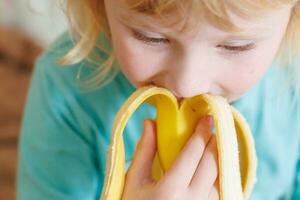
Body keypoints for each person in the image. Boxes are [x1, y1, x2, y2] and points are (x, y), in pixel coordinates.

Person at [17, 0, 300, 199]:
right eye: (151, 37)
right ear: (98, 5)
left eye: (234, 46)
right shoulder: (64, 88)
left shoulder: (293, 84)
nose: (188, 85)